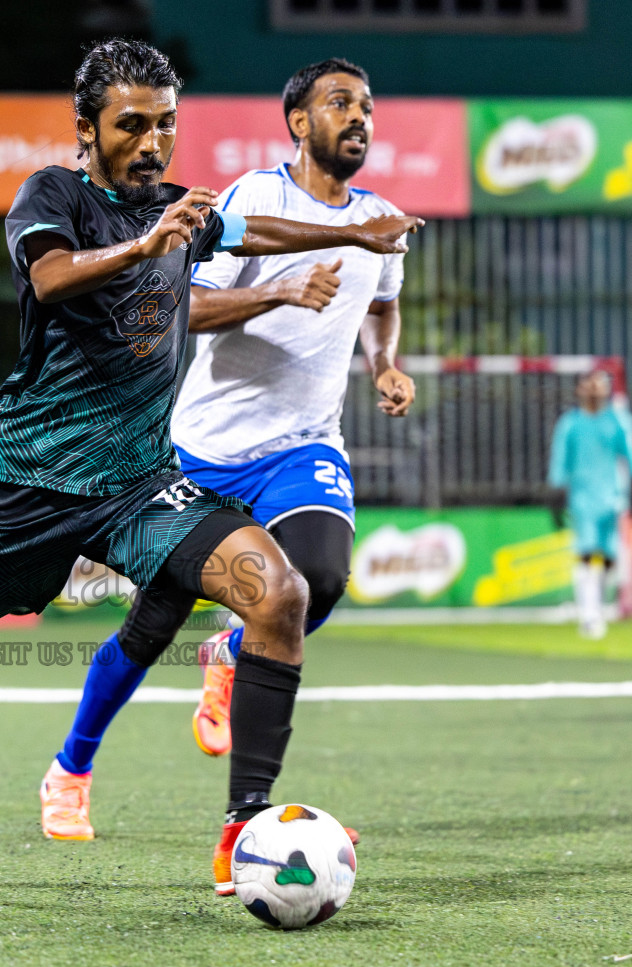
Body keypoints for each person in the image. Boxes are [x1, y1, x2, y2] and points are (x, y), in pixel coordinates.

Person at [0, 39, 421, 898]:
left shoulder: (179, 208)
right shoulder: (52, 195)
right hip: (28, 485)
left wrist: (354, 231)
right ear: (86, 127)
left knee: (281, 594)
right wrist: (145, 249)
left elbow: (258, 228)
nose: (153, 142)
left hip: (139, 485)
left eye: (166, 125)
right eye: (132, 124)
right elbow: (52, 277)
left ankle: (244, 829)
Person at [39, 57, 418, 845]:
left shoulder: (382, 221)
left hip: (302, 447)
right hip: (200, 454)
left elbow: (381, 303)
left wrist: (384, 362)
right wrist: (275, 290)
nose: (359, 117)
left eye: (367, 105)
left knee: (317, 580)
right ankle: (71, 768)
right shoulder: (253, 200)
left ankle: (235, 671)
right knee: (147, 630)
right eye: (340, 103)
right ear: (299, 122)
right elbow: (184, 304)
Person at [547, 371, 632, 639]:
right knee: (587, 553)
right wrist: (556, 499)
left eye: (599, 385)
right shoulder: (570, 424)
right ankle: (588, 614)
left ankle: (598, 608)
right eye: (589, 385)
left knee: (609, 558)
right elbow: (560, 463)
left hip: (612, 498)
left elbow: (631, 459)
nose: (594, 390)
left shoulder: (617, 421)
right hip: (582, 498)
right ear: (580, 389)